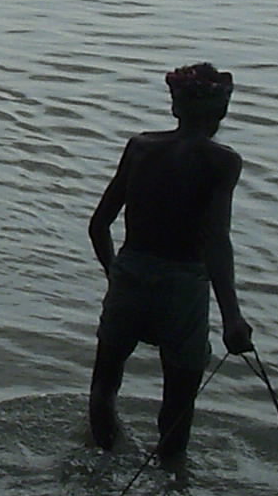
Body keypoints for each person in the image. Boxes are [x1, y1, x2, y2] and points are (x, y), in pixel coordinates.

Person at [85, 62, 254, 459]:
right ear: (222, 113)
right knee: (178, 405)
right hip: (183, 288)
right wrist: (232, 317)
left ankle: (103, 456)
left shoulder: (140, 147)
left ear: (174, 107)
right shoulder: (222, 161)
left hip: (131, 273)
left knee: (104, 385)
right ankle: (170, 483)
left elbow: (98, 226)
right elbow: (217, 241)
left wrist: (117, 277)